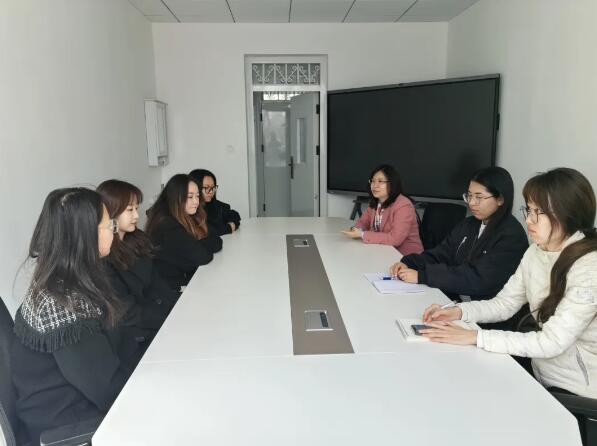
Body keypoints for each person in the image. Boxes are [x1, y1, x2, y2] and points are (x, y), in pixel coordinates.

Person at [420, 168, 597, 398]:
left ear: (567, 214)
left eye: (538, 212)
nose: (528, 220)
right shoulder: (535, 252)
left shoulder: (589, 267)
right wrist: (458, 311)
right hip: (541, 375)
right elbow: (504, 304)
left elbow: (552, 342)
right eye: (528, 210)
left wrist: (475, 337)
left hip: (578, 392)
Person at [11, 188, 142, 441]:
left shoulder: (63, 279)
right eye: (109, 225)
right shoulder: (64, 305)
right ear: (86, 237)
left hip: (77, 404)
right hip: (70, 425)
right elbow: (107, 390)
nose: (113, 231)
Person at [390, 166, 528, 302]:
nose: (472, 203)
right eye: (469, 196)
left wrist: (422, 276)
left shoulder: (511, 236)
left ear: (500, 199)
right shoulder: (468, 224)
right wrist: (409, 263)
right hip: (455, 299)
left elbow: (477, 279)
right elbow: (441, 254)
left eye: (479, 197)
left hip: (485, 310)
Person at [97, 180, 178, 340]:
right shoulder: (104, 256)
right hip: (137, 336)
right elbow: (128, 312)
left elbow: (157, 282)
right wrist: (169, 319)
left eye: (136, 208)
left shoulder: (138, 239)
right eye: (130, 209)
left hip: (160, 318)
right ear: (110, 211)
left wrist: (177, 309)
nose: (136, 215)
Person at [146, 174, 223, 291]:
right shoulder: (167, 224)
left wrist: (197, 244)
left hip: (185, 279)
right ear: (175, 197)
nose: (196, 202)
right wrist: (199, 244)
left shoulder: (187, 214)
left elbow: (216, 239)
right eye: (190, 197)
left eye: (197, 196)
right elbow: (203, 256)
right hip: (172, 289)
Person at [341, 164, 423, 256]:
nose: (375, 185)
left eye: (380, 181)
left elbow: (395, 239)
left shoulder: (403, 205)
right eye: (373, 181)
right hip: (382, 251)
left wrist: (362, 234)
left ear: (392, 183)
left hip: (405, 257)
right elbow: (363, 222)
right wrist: (356, 229)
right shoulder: (376, 202)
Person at [189, 168, 241, 236]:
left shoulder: (217, 205)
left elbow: (235, 216)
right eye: (206, 187)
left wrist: (232, 225)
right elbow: (205, 232)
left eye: (213, 187)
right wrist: (229, 228)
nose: (211, 191)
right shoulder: (190, 209)